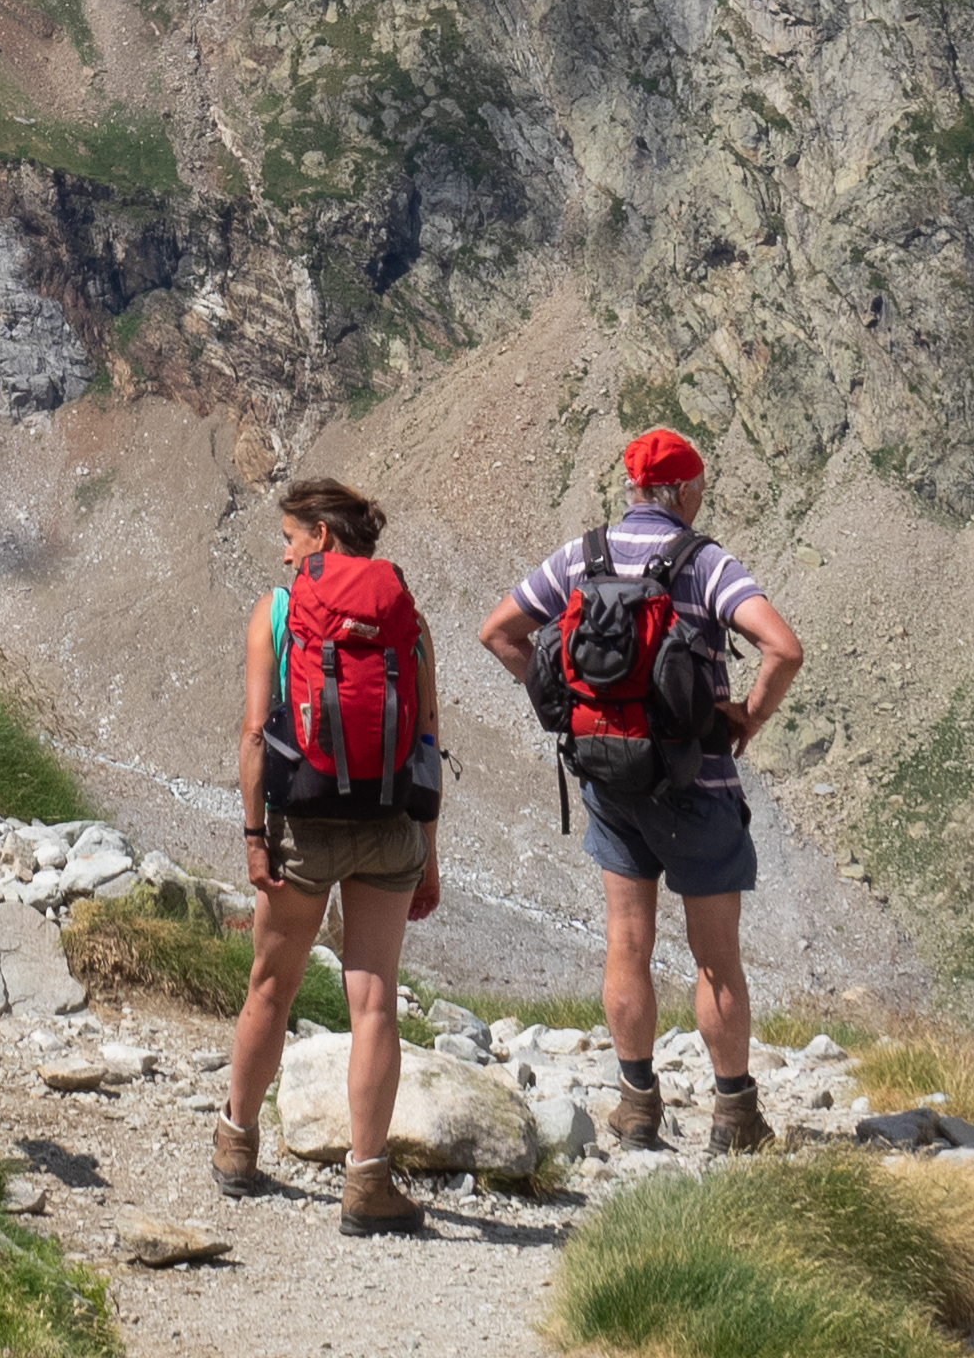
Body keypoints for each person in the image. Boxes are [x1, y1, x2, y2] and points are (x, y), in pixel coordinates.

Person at [475, 427, 808, 1156]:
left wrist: (564, 706)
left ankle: (637, 1106)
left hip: (610, 778)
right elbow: (784, 648)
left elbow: (500, 632)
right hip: (698, 783)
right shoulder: (704, 563)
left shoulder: (582, 556)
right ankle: (733, 1117)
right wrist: (748, 715)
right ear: (685, 491)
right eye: (700, 488)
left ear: (632, 489)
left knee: (627, 943)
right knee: (715, 957)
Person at [220, 476, 443, 1233]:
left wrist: (255, 836)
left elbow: (254, 734)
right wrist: (429, 849)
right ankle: (366, 1182)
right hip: (389, 827)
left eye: (289, 539)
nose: (284, 557)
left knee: (270, 991)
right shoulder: (406, 616)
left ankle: (236, 1144)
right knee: (374, 1002)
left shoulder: (278, 612)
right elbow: (426, 743)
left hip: (302, 827)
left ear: (321, 535)